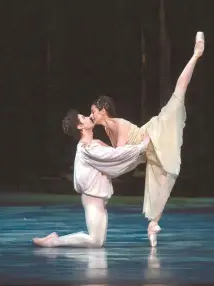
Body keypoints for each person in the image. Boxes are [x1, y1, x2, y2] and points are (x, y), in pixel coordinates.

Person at [90, 32, 205, 247]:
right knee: (160, 184)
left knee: (178, 96)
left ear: (103, 110)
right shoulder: (107, 130)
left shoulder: (117, 124)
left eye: (93, 112)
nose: (91, 116)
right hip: (146, 151)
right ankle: (153, 225)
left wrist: (99, 160)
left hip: (154, 134)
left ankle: (196, 54)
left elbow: (122, 155)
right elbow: (120, 156)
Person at [32, 109, 149, 248]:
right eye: (84, 117)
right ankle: (54, 241)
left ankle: (55, 240)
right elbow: (115, 156)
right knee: (95, 241)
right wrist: (141, 147)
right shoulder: (87, 149)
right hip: (92, 198)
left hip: (99, 199)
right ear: (80, 126)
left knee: (98, 241)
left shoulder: (95, 144)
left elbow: (115, 162)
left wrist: (140, 157)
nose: (89, 117)